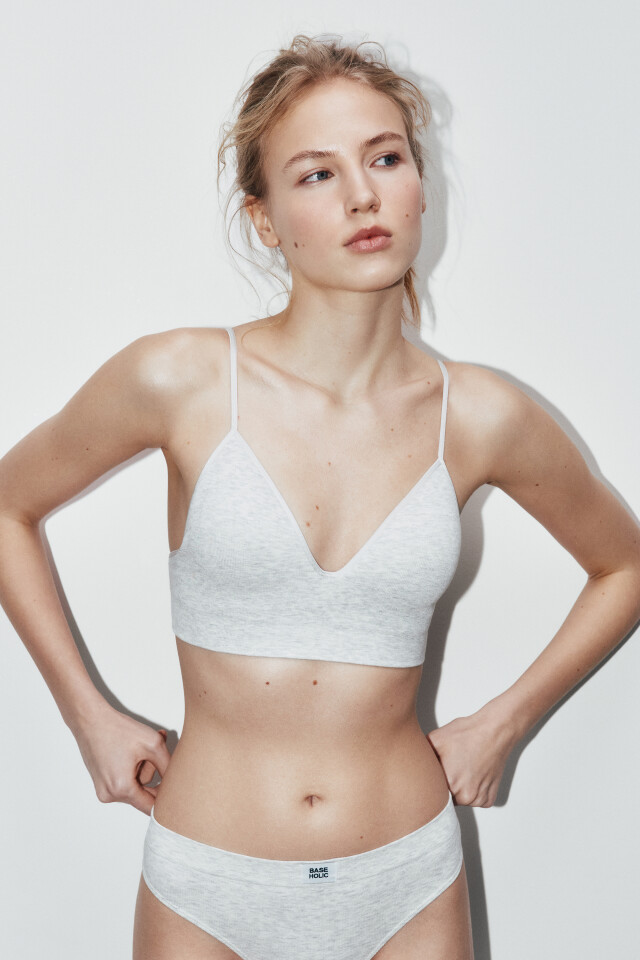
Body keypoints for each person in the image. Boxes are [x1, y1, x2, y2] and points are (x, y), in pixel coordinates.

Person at [1, 33, 639, 960]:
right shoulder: (180, 380)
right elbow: (8, 506)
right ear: (264, 221)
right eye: (316, 174)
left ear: (420, 184)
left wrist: (504, 722)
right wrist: (86, 716)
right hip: (206, 881)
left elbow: (624, 566)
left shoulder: (482, 416)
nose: (362, 196)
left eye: (385, 158)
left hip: (409, 879)